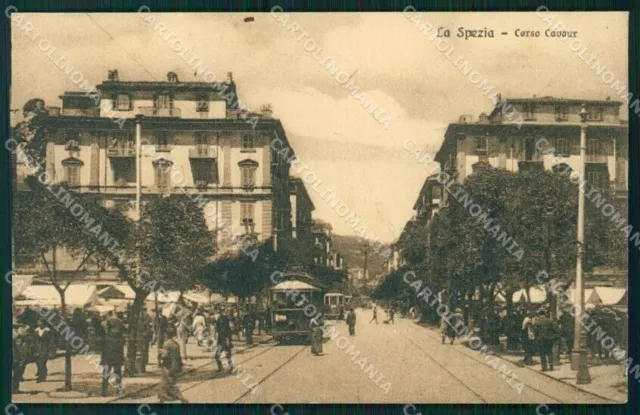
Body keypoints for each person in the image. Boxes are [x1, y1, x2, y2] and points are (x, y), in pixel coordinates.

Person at [158, 325, 189, 403]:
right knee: (165, 383)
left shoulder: (166, 343)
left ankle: (182, 399)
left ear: (166, 334)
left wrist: (160, 354)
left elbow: (164, 356)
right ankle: (161, 400)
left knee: (169, 383)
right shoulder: (175, 343)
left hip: (168, 366)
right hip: (176, 365)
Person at [101, 310, 125, 396]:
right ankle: (119, 390)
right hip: (117, 357)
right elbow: (122, 346)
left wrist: (102, 359)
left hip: (107, 357)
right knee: (118, 372)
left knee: (106, 373)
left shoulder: (106, 337)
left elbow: (102, 348)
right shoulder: (120, 337)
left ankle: (104, 391)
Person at [214, 309, 234, 373]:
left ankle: (223, 368)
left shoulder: (223, 319)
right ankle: (229, 368)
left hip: (224, 340)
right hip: (223, 339)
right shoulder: (222, 318)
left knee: (218, 355)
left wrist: (227, 340)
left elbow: (227, 330)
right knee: (226, 354)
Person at [34, 318, 53, 383]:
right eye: (38, 322)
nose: (40, 324)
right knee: (39, 363)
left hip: (45, 348)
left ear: (44, 323)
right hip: (37, 349)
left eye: (41, 323)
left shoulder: (48, 330)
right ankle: (43, 375)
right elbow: (34, 340)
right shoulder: (36, 330)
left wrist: (51, 350)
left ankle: (41, 377)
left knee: (42, 363)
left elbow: (51, 341)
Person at [12, 323, 30, 393]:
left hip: (17, 356)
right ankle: (14, 389)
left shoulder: (19, 334)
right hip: (15, 356)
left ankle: (15, 389)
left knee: (17, 373)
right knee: (16, 373)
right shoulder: (16, 334)